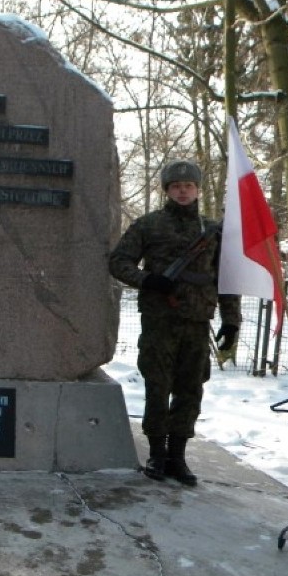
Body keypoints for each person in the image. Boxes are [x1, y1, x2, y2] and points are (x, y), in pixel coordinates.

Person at [109, 160, 241, 486]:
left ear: (197, 189)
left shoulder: (212, 230)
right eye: (176, 186)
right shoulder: (149, 225)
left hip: (197, 322)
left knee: (190, 390)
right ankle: (156, 452)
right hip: (160, 321)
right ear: (167, 189)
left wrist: (231, 321)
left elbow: (227, 278)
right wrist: (148, 280)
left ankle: (178, 456)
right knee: (158, 386)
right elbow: (118, 261)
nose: (183, 191)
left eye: (189, 186)